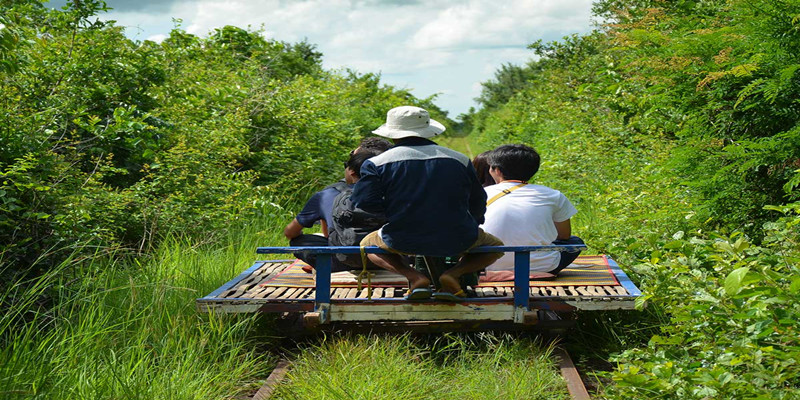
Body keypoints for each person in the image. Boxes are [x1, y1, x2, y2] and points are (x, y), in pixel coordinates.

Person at [351, 106, 504, 301]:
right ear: (427, 129)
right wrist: (471, 224)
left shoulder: (376, 163)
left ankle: (415, 278)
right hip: (458, 236)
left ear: (393, 133)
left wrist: (395, 216)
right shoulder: (459, 159)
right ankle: (452, 275)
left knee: (368, 245)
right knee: (495, 246)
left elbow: (365, 203)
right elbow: (477, 200)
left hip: (402, 238)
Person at [283, 137, 390, 270]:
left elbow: (290, 232)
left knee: (299, 241)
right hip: (388, 260)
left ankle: (326, 265)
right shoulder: (395, 191)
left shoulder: (327, 194)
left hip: (343, 260)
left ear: (351, 170)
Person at [480, 144, 584, 277]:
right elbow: (564, 236)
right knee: (575, 242)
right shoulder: (553, 195)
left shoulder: (481, 194)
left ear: (497, 170)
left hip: (484, 264)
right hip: (543, 266)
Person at [327, 149, 387, 270]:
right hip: (388, 254)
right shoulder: (390, 194)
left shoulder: (342, 197)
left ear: (352, 172)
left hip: (349, 257)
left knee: (323, 237)